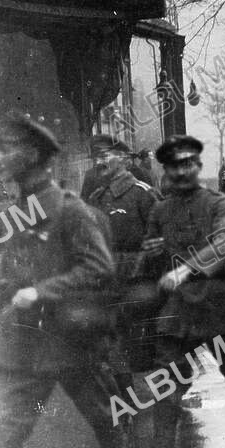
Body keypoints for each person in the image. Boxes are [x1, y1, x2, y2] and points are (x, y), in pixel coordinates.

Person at [0, 115, 133, 448]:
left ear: (31, 157)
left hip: (70, 337)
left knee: (101, 414)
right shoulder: (10, 215)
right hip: (24, 340)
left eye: (5, 150)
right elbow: (8, 273)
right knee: (6, 429)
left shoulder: (71, 211)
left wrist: (41, 291)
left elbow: (99, 268)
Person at [134, 135, 225, 448]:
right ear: (167, 171)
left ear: (198, 166)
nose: (182, 171)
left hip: (216, 303)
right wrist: (151, 255)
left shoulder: (219, 203)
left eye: (188, 164)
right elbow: (152, 257)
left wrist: (186, 269)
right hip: (176, 310)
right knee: (166, 377)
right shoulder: (160, 210)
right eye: (174, 166)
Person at [86, 136, 161, 396]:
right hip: (108, 285)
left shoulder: (143, 194)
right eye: (96, 157)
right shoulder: (96, 199)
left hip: (140, 287)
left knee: (142, 352)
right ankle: (129, 404)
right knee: (114, 349)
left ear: (124, 159)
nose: (100, 162)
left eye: (106, 155)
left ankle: (156, 405)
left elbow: (162, 239)